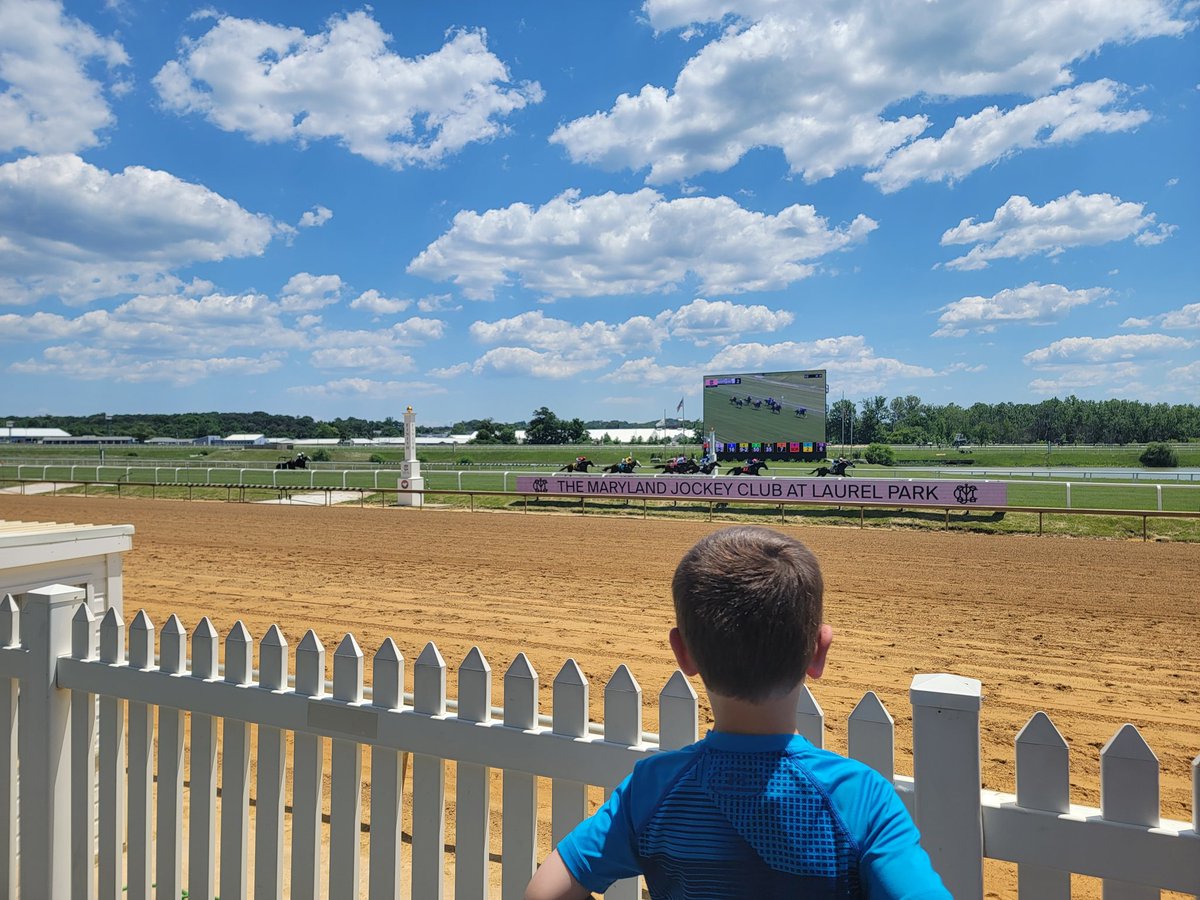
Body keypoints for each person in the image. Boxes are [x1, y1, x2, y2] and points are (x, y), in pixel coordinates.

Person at [526, 526, 950, 899]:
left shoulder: (653, 788)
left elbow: (545, 891)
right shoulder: (860, 797)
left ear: (683, 653)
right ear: (819, 652)